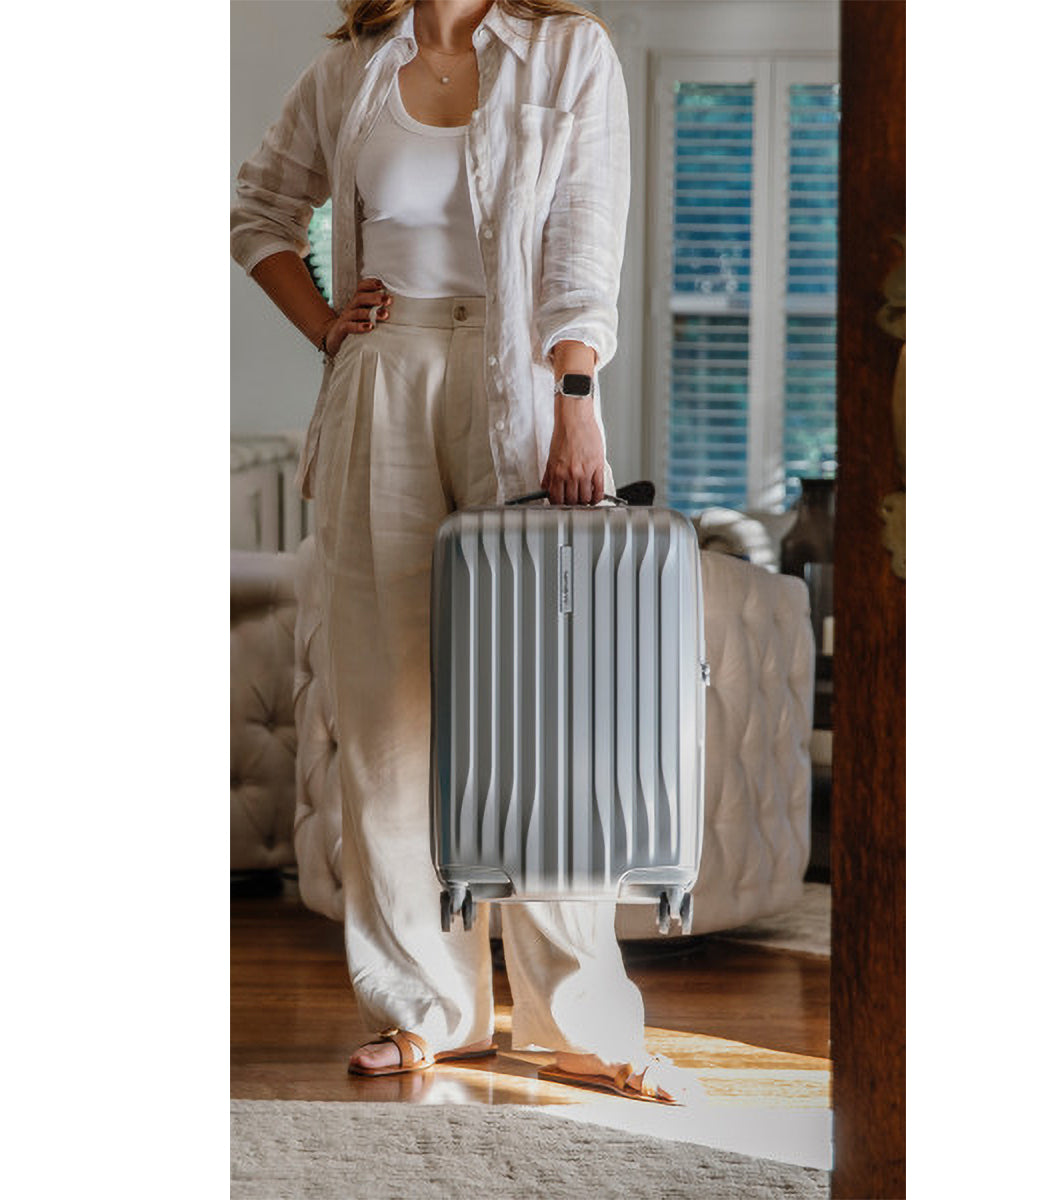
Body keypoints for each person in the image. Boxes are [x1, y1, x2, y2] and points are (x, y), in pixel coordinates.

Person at [231, 0, 695, 1104]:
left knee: (548, 715)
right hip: (381, 378)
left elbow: (586, 237)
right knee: (384, 716)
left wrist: (575, 400)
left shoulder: (569, 52)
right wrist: (328, 325)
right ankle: (426, 1010)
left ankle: (578, 1016)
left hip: (522, 385)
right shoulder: (350, 68)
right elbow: (259, 211)